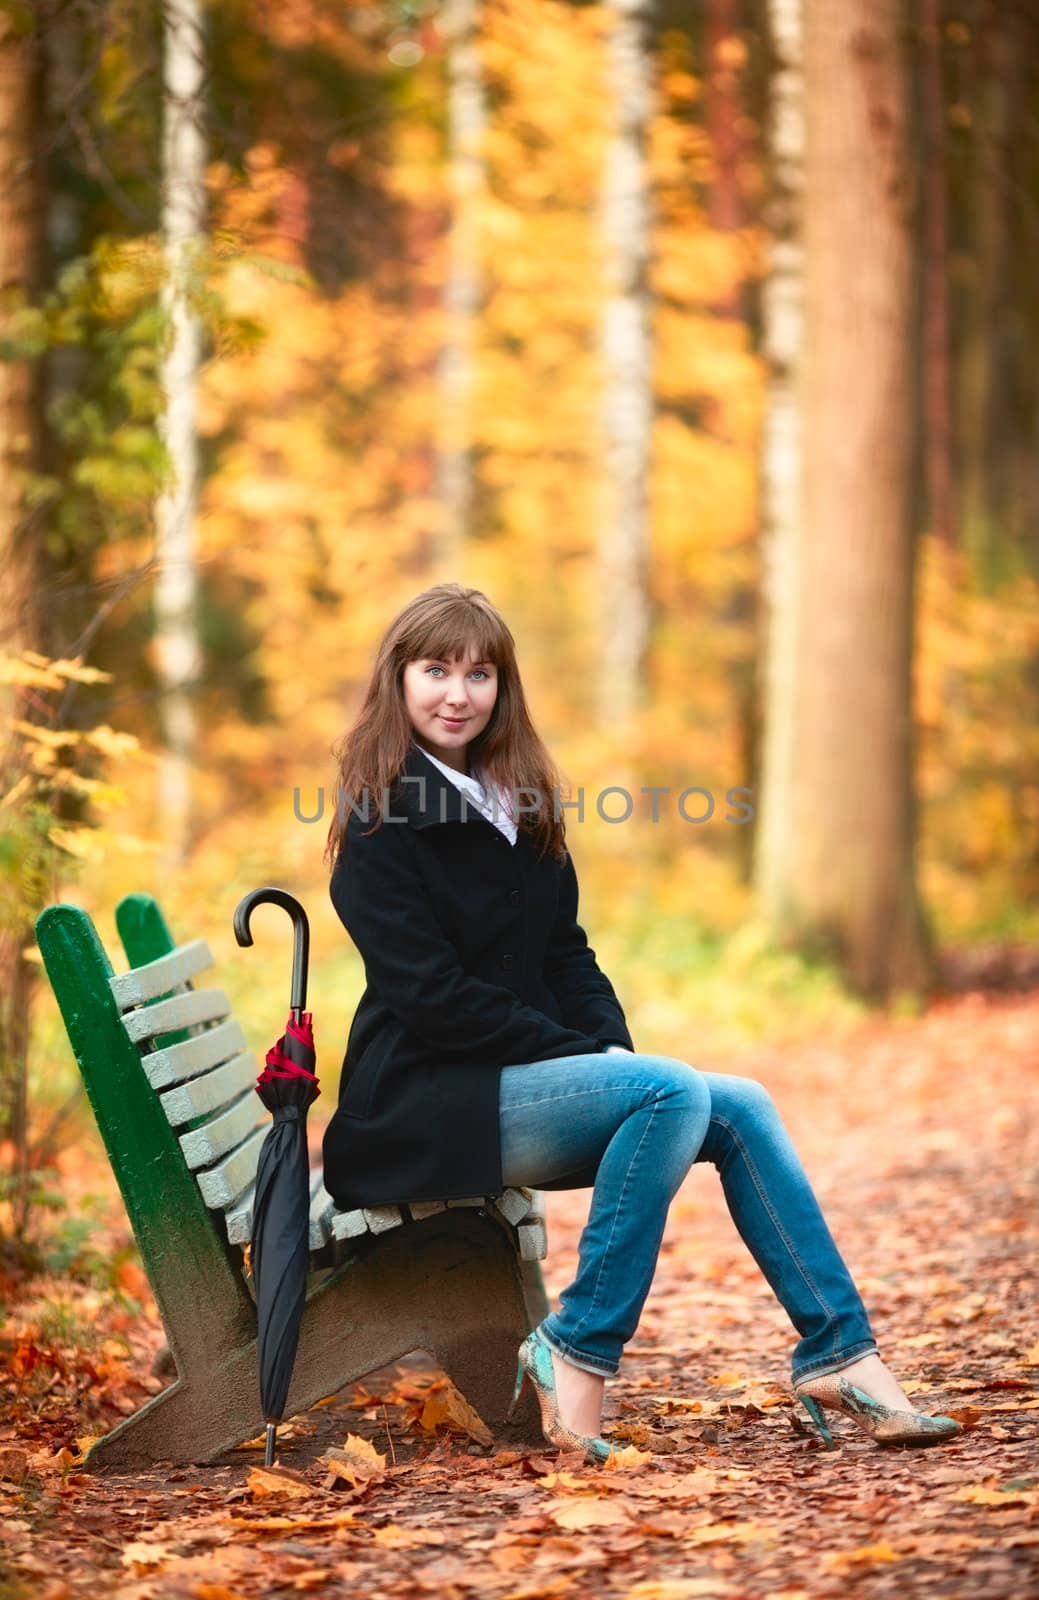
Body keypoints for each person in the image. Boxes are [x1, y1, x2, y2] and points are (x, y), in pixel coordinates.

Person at [321, 582, 961, 1465]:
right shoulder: (379, 821)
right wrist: (591, 1061)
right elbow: (432, 998)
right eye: (435, 670)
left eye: (479, 674)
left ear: (505, 688)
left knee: (737, 1103)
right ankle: (576, 1345)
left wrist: (607, 1047)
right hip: (422, 1103)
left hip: (510, 1084)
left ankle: (840, 1353)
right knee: (666, 1090)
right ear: (397, 680)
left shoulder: (518, 803)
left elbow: (567, 955)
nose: (457, 694)